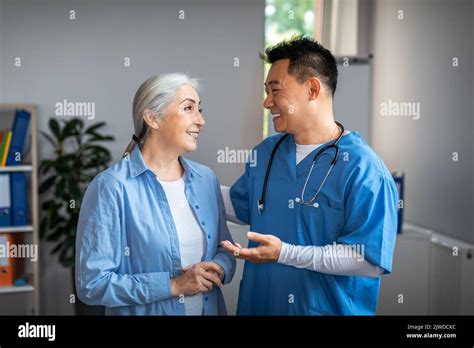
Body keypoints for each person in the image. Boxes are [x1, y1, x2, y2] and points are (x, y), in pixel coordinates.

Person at [220, 36, 398, 315]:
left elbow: (367, 260)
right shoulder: (266, 153)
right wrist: (184, 178)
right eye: (266, 91)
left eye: (275, 90)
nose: (267, 102)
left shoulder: (364, 170)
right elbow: (241, 204)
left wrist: (285, 253)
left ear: (312, 89)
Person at [76, 73, 235, 315]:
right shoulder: (112, 187)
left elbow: (225, 248)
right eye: (188, 108)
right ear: (153, 118)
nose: (201, 120)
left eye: (199, 109)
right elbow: (92, 284)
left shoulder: (206, 179)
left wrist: (218, 268)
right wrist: (174, 285)